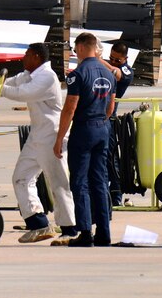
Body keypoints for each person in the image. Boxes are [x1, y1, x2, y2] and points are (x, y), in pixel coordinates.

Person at [2, 43, 76, 243]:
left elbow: (22, 93)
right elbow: (14, 82)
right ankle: (38, 223)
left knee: (58, 182)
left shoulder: (47, 77)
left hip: (52, 135)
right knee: (21, 177)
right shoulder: (30, 74)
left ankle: (69, 228)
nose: (23, 58)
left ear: (36, 56)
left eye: (26, 55)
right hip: (37, 135)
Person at [53, 32, 116, 247]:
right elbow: (111, 107)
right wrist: (101, 121)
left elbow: (70, 107)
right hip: (102, 128)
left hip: (84, 129)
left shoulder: (77, 74)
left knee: (79, 182)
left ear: (80, 48)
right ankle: (104, 232)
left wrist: (60, 137)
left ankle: (85, 232)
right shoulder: (108, 74)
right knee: (99, 180)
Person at [105, 41, 134, 206]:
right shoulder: (107, 65)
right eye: (111, 58)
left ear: (125, 59)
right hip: (96, 118)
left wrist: (95, 59)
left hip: (110, 118)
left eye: (118, 60)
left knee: (111, 157)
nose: (113, 62)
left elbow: (116, 72)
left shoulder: (127, 71)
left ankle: (116, 195)